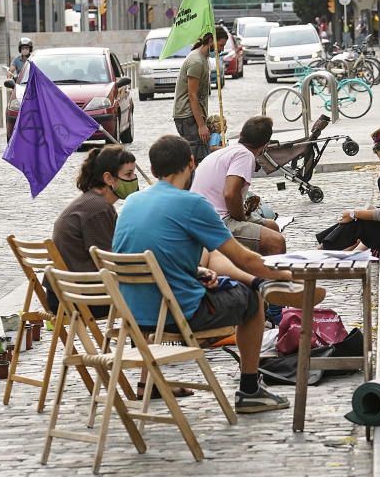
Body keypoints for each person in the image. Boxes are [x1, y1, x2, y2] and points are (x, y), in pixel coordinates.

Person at [114, 136, 324, 414]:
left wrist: (196, 271)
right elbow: (244, 257)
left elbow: (152, 254)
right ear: (192, 163)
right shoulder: (192, 204)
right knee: (251, 300)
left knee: (214, 260)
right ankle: (250, 389)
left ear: (153, 171)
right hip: (176, 312)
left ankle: (262, 283)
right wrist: (287, 274)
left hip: (133, 312)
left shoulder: (132, 202)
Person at [47, 146, 138, 319]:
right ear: (108, 178)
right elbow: (109, 261)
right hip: (80, 298)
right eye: (128, 175)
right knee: (153, 295)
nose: (134, 179)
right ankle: (146, 345)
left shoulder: (91, 202)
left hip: (65, 292)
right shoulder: (98, 209)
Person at [190, 116, 286, 255]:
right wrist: (242, 218)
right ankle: (270, 275)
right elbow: (230, 194)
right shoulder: (245, 155)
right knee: (276, 242)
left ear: (241, 135)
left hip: (205, 216)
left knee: (272, 226)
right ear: (265, 144)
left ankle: (257, 270)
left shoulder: (227, 151)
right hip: (215, 221)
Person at [174, 27, 228, 163]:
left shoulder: (203, 58)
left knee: (201, 157)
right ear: (210, 41)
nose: (221, 50)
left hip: (194, 116)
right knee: (198, 160)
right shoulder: (196, 61)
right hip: (188, 117)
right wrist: (201, 126)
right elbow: (192, 95)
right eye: (220, 45)